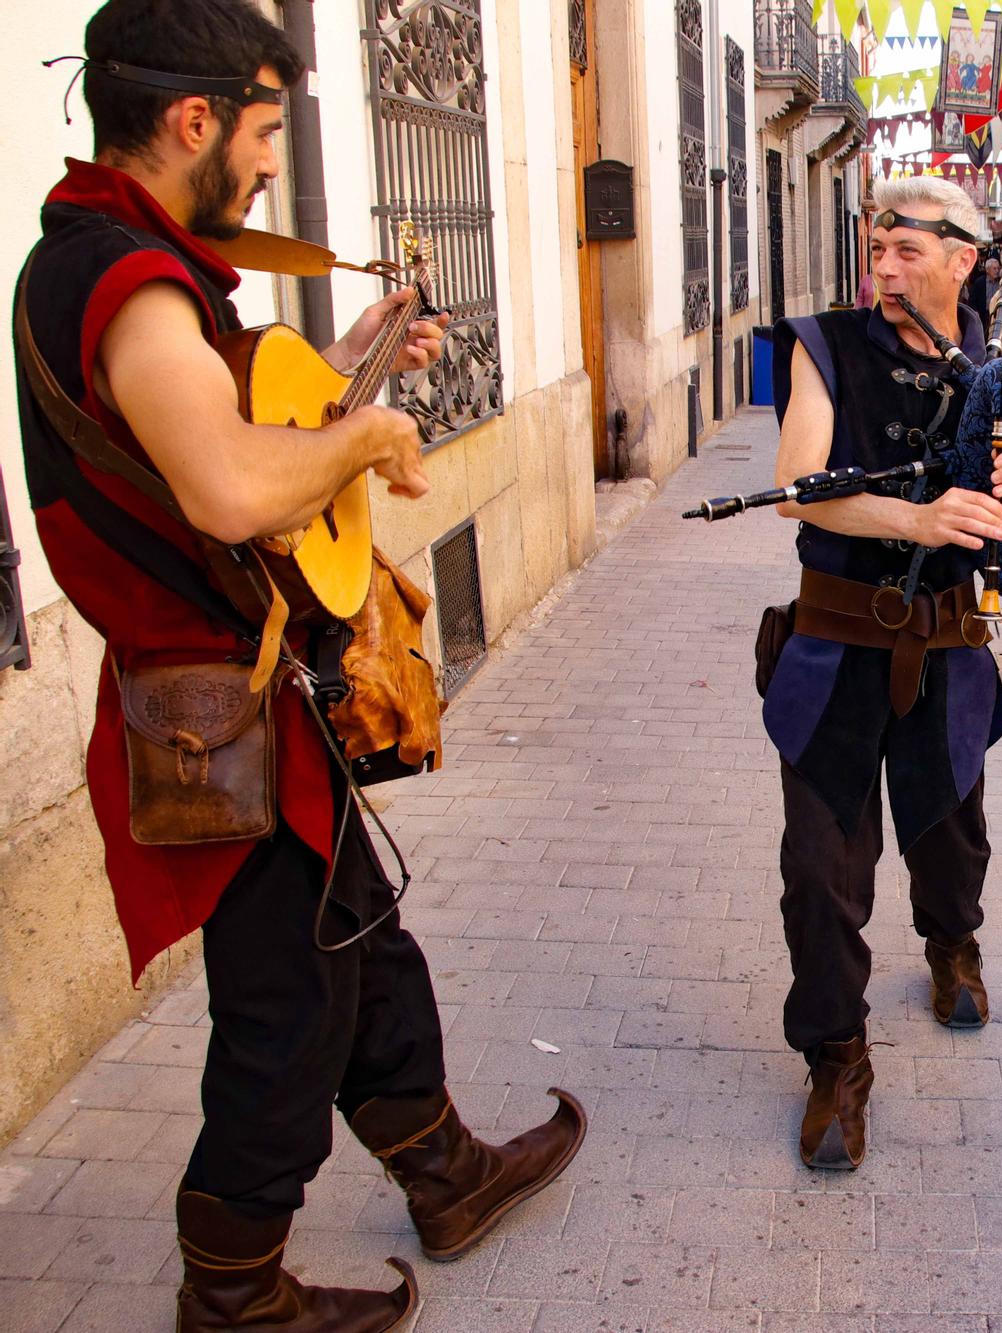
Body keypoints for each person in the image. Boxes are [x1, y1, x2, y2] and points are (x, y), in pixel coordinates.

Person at [12, 3, 588, 1328]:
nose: (272, 163)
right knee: (291, 1006)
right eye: (266, 131)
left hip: (248, 701)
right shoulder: (126, 279)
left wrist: (351, 377)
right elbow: (226, 489)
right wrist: (366, 435)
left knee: (360, 938)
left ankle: (446, 1172)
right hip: (211, 718)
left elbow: (219, 437)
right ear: (193, 120)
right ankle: (231, 1291)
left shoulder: (122, 264)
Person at [766, 177, 1002, 1171]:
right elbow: (797, 490)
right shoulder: (823, 346)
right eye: (876, 246)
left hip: (950, 655)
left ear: (963, 258)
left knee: (951, 837)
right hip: (832, 652)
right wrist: (913, 518)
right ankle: (835, 1056)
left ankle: (953, 944)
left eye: (908, 247)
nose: (885, 264)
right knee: (818, 871)